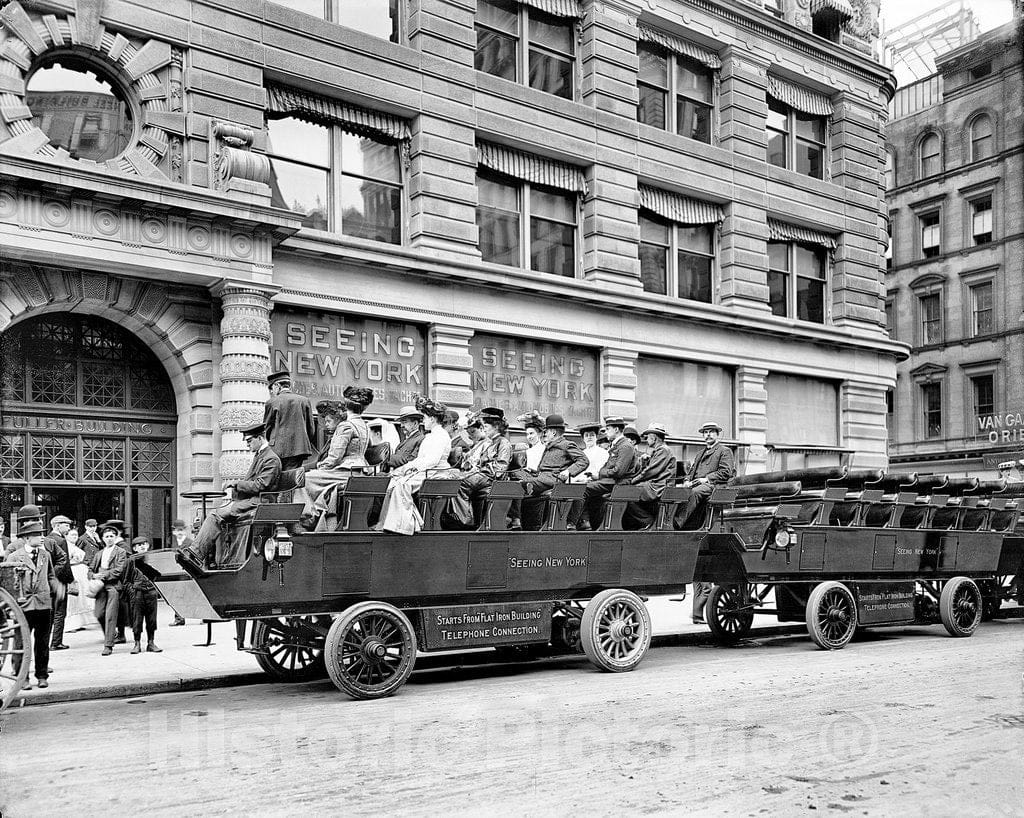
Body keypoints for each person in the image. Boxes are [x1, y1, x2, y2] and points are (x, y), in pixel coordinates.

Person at [183, 423, 282, 569]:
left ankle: (196, 555)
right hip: (252, 500)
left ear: (260, 438)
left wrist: (236, 484)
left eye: (249, 441)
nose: (247, 445)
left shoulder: (271, 459)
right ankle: (208, 559)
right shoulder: (261, 456)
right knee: (213, 516)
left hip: (260, 502)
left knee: (215, 515)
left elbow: (261, 485)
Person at [676, 421, 735, 624]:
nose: (708, 435)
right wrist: (686, 480)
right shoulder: (701, 453)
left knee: (693, 492)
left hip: (715, 489)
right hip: (699, 490)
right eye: (706, 433)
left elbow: (726, 473)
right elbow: (691, 474)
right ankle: (699, 613)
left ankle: (677, 523)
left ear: (718, 434)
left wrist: (705, 479)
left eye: (711, 432)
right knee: (683, 491)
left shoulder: (724, 451)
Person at [295, 388, 373, 529]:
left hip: (346, 471)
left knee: (304, 480)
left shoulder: (345, 426)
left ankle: (308, 517)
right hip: (361, 470)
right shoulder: (365, 426)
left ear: (346, 405)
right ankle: (317, 512)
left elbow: (334, 458)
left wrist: (320, 467)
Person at [377, 394, 453, 535]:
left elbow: (432, 460)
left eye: (424, 418)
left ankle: (407, 524)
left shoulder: (441, 435)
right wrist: (404, 469)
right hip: (428, 471)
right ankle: (391, 523)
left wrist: (412, 469)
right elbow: (421, 459)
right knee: (395, 482)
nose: (423, 422)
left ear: (432, 418)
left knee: (402, 485)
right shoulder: (431, 435)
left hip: (436, 472)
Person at [514, 414, 589, 531]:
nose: (545, 434)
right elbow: (543, 468)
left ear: (553, 432)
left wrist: (568, 472)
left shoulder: (567, 444)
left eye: (546, 431)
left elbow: (583, 461)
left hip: (553, 479)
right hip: (542, 478)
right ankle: (524, 521)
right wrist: (533, 471)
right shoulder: (549, 446)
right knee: (516, 478)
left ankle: (516, 519)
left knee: (519, 485)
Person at [7, 519, 56, 689]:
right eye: (38, 535)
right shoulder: (14, 556)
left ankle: (42, 675)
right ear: (27, 538)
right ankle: (23, 678)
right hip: (23, 606)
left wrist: (55, 590)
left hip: (43, 604)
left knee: (42, 642)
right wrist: (10, 609)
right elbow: (8, 585)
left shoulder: (45, 555)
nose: (42, 538)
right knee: (21, 643)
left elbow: (50, 576)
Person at [576, 417, 637, 531]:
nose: (605, 432)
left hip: (618, 483)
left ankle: (583, 521)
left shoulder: (625, 446)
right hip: (611, 481)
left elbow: (618, 471)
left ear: (616, 430)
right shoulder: (617, 445)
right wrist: (597, 476)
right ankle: (589, 523)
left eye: (608, 429)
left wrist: (601, 473)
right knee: (585, 489)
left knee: (582, 489)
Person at [455, 408, 514, 526]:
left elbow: (500, 468)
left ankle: (466, 520)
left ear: (496, 426)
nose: (484, 430)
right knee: (454, 478)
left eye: (486, 426)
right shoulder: (491, 442)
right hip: (483, 477)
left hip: (490, 479)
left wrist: (480, 470)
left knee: (459, 483)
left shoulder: (503, 443)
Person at [623, 423, 678, 530]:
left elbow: (650, 471)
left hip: (658, 487)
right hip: (654, 485)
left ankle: (647, 521)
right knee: (625, 492)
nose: (646, 439)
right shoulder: (660, 450)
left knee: (624, 494)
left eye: (648, 437)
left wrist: (633, 481)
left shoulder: (663, 450)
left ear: (654, 437)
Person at [263, 370, 317, 470]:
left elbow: (267, 428)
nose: (271, 392)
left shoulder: (272, 402)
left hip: (277, 449)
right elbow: (311, 429)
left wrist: (272, 442)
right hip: (299, 449)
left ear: (277, 385)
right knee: (292, 478)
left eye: (271, 388)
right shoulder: (304, 400)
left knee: (277, 479)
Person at [89, 521, 128, 655]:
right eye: (107, 536)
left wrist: (103, 575)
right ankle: (111, 635)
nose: (109, 538)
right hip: (100, 587)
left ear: (116, 537)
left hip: (113, 586)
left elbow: (119, 570)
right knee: (99, 614)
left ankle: (108, 645)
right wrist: (93, 575)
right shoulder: (99, 553)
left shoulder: (120, 552)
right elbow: (90, 569)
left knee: (110, 615)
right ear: (102, 538)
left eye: (112, 536)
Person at [125, 536, 162, 654]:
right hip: (138, 593)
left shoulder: (153, 560)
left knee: (152, 619)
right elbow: (126, 579)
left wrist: (157, 590)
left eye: (144, 544)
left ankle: (151, 642)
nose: (142, 546)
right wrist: (132, 591)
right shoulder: (131, 561)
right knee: (137, 619)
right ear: (135, 548)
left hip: (151, 592)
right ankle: (137, 643)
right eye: (139, 545)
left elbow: (159, 576)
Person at [46, 514, 75, 651]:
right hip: (60, 581)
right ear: (57, 526)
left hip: (47, 581)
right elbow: (65, 563)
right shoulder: (61, 541)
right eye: (66, 525)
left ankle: (47, 641)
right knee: (59, 612)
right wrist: (69, 580)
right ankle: (56, 642)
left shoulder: (46, 539)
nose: (68, 528)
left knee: (50, 612)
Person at [64, 527, 95, 632]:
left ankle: (80, 622)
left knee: (82, 597)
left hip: (80, 571)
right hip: (73, 571)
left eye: (76, 535)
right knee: (74, 597)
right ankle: (71, 624)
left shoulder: (74, 545)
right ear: (66, 536)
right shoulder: (66, 547)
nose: (75, 537)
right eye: (72, 535)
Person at [168, 519, 192, 625]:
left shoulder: (190, 543)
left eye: (181, 530)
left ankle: (206, 617)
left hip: (187, 572)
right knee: (177, 596)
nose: (179, 532)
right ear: (174, 531)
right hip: (175, 573)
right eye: (177, 530)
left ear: (185, 531)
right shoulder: (171, 543)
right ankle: (179, 618)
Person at [386, 406, 426, 471]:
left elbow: (411, 462)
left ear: (415, 423)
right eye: (401, 423)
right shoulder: (405, 440)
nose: (401, 426)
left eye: (404, 422)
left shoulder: (421, 439)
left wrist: (389, 458)